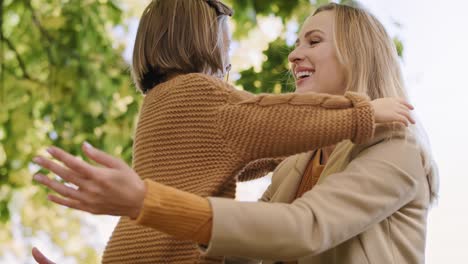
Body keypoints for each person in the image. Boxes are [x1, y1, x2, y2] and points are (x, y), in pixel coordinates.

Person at [31, 1, 420, 264]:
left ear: (358, 53)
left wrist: (145, 202)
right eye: (297, 42)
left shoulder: (396, 147)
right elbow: (246, 239)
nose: (294, 55)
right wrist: (360, 113)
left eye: (313, 41)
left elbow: (303, 228)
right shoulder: (289, 159)